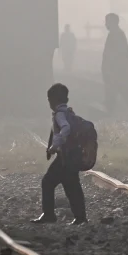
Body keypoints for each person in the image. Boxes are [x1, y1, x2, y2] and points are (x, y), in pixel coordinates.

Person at [32, 83, 88, 224]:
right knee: (72, 185)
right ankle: (80, 218)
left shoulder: (60, 115)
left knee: (48, 182)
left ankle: (49, 215)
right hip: (73, 155)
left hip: (65, 158)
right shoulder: (69, 112)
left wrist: (54, 146)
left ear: (52, 100)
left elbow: (65, 129)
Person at [102, 13, 128, 117]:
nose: (106, 24)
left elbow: (118, 54)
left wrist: (110, 69)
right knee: (121, 93)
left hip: (118, 71)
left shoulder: (117, 34)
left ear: (113, 22)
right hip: (117, 71)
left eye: (107, 21)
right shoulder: (116, 33)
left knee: (123, 92)